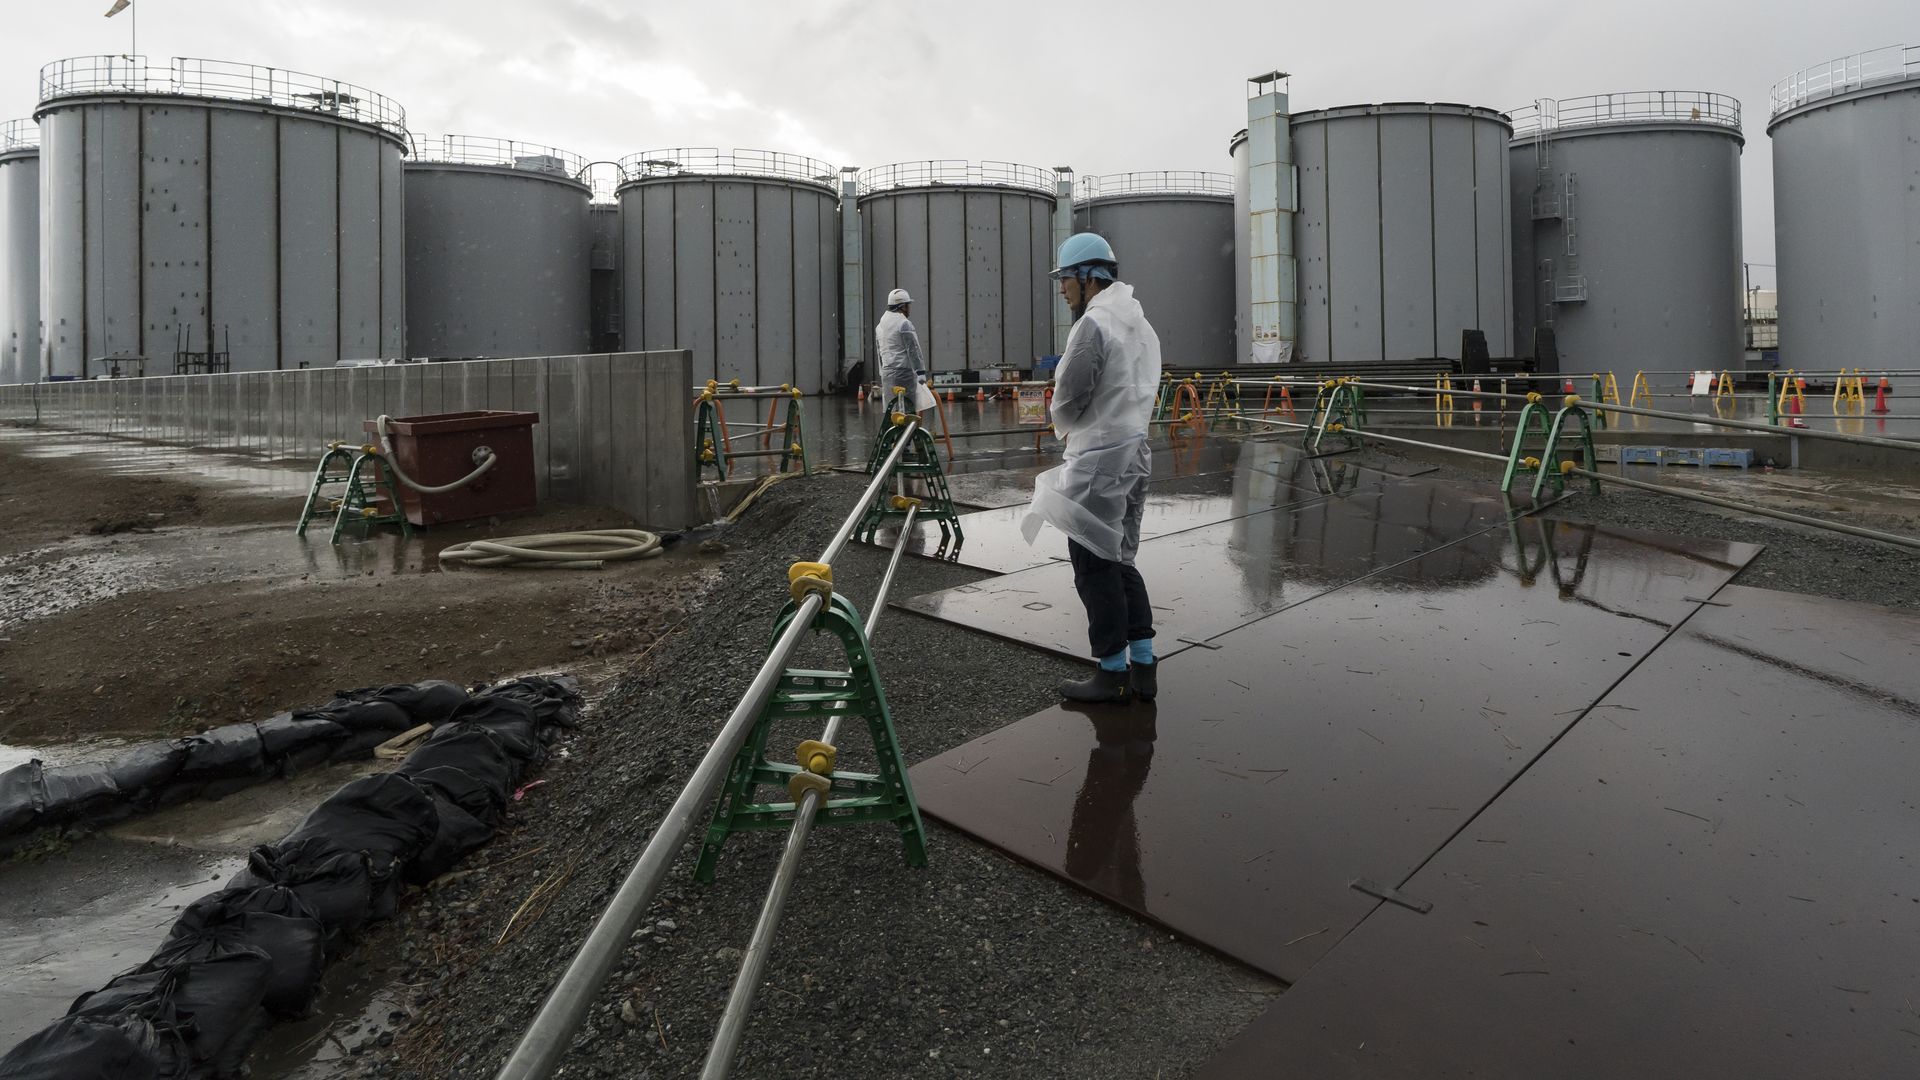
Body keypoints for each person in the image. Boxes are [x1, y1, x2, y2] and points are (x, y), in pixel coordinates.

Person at [1021, 233, 1161, 703]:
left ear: (1086, 277)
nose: (1061, 289)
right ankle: (1143, 664)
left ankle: (1110, 671)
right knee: (1120, 558)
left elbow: (1070, 396)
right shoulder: (1140, 324)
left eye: (1064, 279)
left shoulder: (1093, 326)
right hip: (1135, 451)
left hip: (1100, 456)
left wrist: (1059, 418)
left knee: (1091, 561)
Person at [874, 288, 929, 416]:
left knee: (892, 413)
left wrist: (882, 372)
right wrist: (920, 372)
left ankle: (894, 435)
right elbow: (914, 349)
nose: (910, 308)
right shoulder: (904, 324)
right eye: (909, 305)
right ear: (903, 306)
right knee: (908, 412)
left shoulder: (880, 325)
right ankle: (908, 435)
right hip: (903, 374)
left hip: (887, 375)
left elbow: (879, 353)